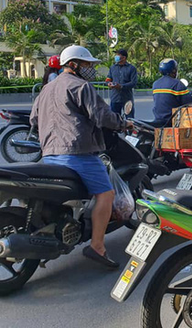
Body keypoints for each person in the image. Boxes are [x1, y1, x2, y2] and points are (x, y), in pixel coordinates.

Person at [30, 45, 132, 269]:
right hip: (78, 153)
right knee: (106, 194)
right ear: (74, 65)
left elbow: (33, 120)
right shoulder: (81, 86)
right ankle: (97, 246)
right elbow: (102, 115)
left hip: (50, 155)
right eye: (87, 65)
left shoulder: (46, 89)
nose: (91, 69)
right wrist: (124, 123)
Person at [152, 58, 192, 127]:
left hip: (158, 119)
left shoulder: (155, 84)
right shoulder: (177, 84)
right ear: (174, 70)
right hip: (171, 120)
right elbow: (189, 102)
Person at [107, 49, 137, 118]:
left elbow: (133, 83)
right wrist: (108, 83)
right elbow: (108, 78)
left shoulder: (131, 68)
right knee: (114, 119)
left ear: (124, 57)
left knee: (130, 119)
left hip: (127, 98)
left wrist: (121, 86)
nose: (116, 57)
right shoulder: (112, 68)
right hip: (115, 98)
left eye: (118, 55)